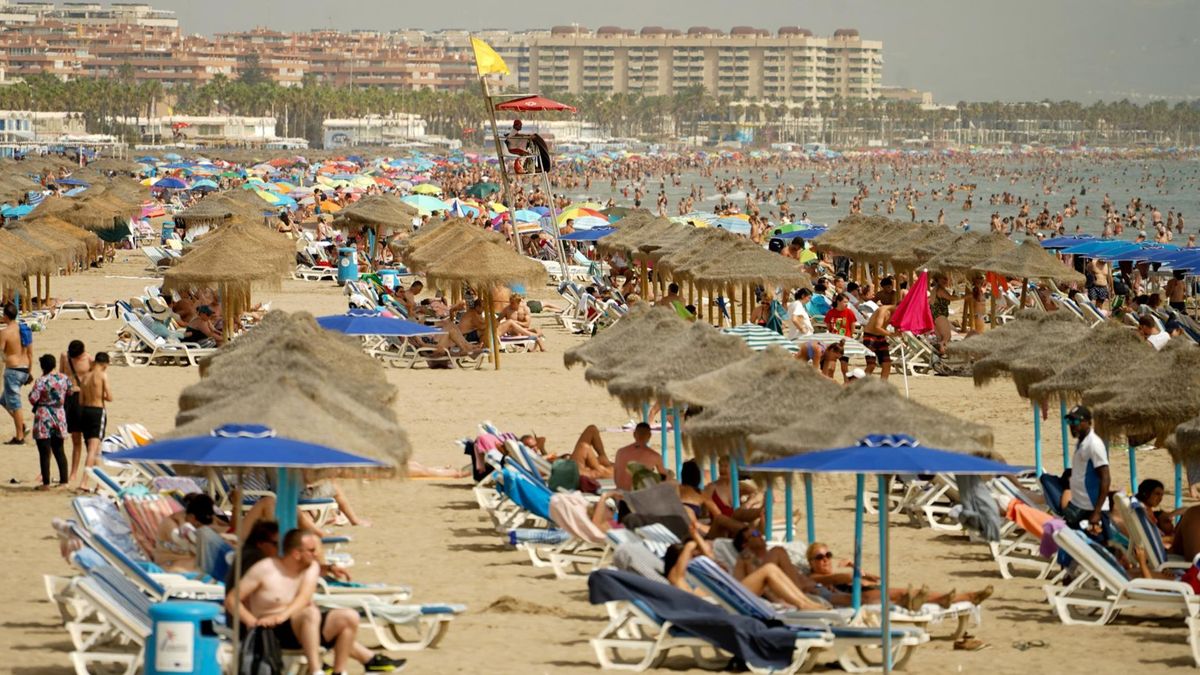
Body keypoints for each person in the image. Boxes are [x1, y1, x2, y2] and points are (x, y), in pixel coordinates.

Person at [228, 528, 405, 675]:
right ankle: (315, 670)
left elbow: (304, 597)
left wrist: (283, 615)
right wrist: (252, 623)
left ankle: (339, 671)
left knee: (348, 616)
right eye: (312, 551)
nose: (317, 554)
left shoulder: (310, 568)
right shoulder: (265, 569)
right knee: (310, 612)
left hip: (298, 623)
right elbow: (231, 600)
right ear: (297, 553)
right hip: (272, 631)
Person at [663, 527, 827, 610]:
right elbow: (678, 572)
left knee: (749, 557)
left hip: (730, 592)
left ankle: (804, 601)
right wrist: (690, 545)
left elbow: (709, 556)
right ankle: (802, 604)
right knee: (768, 569)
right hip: (727, 600)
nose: (695, 557)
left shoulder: (691, 573)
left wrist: (696, 537)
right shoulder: (677, 577)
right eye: (691, 555)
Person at [805, 541, 992, 610]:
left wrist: (854, 566)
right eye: (819, 557)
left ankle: (957, 597)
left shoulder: (836, 575)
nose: (825, 560)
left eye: (828, 555)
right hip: (856, 597)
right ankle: (966, 597)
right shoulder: (813, 578)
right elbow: (843, 579)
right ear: (811, 562)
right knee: (904, 594)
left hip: (865, 590)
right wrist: (853, 572)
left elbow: (874, 580)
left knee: (910, 593)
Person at [1065, 405, 1111, 542]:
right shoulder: (1081, 441)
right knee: (1072, 546)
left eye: (1076, 422)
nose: (1072, 426)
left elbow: (1106, 478)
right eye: (1070, 422)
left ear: (1089, 423)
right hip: (1078, 505)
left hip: (1092, 509)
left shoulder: (1094, 445)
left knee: (1100, 551)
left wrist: (1096, 512)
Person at [28, 353, 69, 489]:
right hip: (59, 414)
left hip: (44, 415)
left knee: (44, 451)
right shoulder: (63, 378)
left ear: (42, 366)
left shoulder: (41, 381)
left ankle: (46, 483)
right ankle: (64, 481)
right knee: (59, 449)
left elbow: (33, 398)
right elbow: (70, 392)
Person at [75, 352, 112, 493]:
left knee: (95, 450)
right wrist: (99, 394)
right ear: (104, 364)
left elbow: (81, 401)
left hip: (85, 412)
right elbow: (110, 397)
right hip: (97, 411)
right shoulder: (102, 375)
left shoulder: (85, 377)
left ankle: (99, 484)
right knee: (93, 449)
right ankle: (84, 482)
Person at [154, 493, 219, 572]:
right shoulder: (170, 523)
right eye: (198, 524)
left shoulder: (188, 523)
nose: (198, 527)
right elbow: (183, 540)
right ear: (192, 517)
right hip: (169, 564)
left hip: (186, 563)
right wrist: (182, 522)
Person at [521, 424, 614, 480]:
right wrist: (547, 456)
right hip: (571, 469)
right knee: (584, 447)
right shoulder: (527, 460)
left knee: (592, 429)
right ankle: (609, 471)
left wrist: (542, 449)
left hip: (572, 463)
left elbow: (547, 464)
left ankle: (607, 463)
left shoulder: (534, 456)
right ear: (524, 448)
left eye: (535, 446)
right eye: (531, 447)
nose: (534, 449)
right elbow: (541, 471)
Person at [59, 340, 91, 482]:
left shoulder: (89, 359)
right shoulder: (65, 357)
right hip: (69, 399)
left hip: (84, 399)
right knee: (74, 438)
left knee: (88, 441)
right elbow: (60, 376)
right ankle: (72, 473)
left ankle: (85, 474)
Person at [2, 302, 32, 444]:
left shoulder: (5, 333)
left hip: (13, 370)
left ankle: (20, 436)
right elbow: (31, 353)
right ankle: (21, 425)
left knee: (15, 403)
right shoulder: (24, 329)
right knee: (3, 400)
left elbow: (1, 355)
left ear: (5, 316)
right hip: (25, 368)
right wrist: (29, 372)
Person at [612, 422, 667, 491]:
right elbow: (664, 478)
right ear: (649, 435)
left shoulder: (620, 452)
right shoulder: (654, 456)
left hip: (620, 493)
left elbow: (616, 475)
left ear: (634, 434)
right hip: (639, 496)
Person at [861, 304, 895, 380]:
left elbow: (897, 325)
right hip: (870, 336)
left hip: (881, 338)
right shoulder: (883, 310)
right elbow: (877, 327)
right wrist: (891, 334)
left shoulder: (897, 313)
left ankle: (882, 386)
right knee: (871, 365)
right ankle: (860, 385)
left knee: (887, 364)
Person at [930, 273, 954, 356]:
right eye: (943, 278)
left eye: (946, 279)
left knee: (941, 338)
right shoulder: (940, 290)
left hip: (935, 315)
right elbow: (951, 298)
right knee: (947, 337)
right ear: (937, 279)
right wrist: (967, 296)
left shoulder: (936, 289)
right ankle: (943, 353)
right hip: (940, 315)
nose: (945, 281)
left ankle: (940, 356)